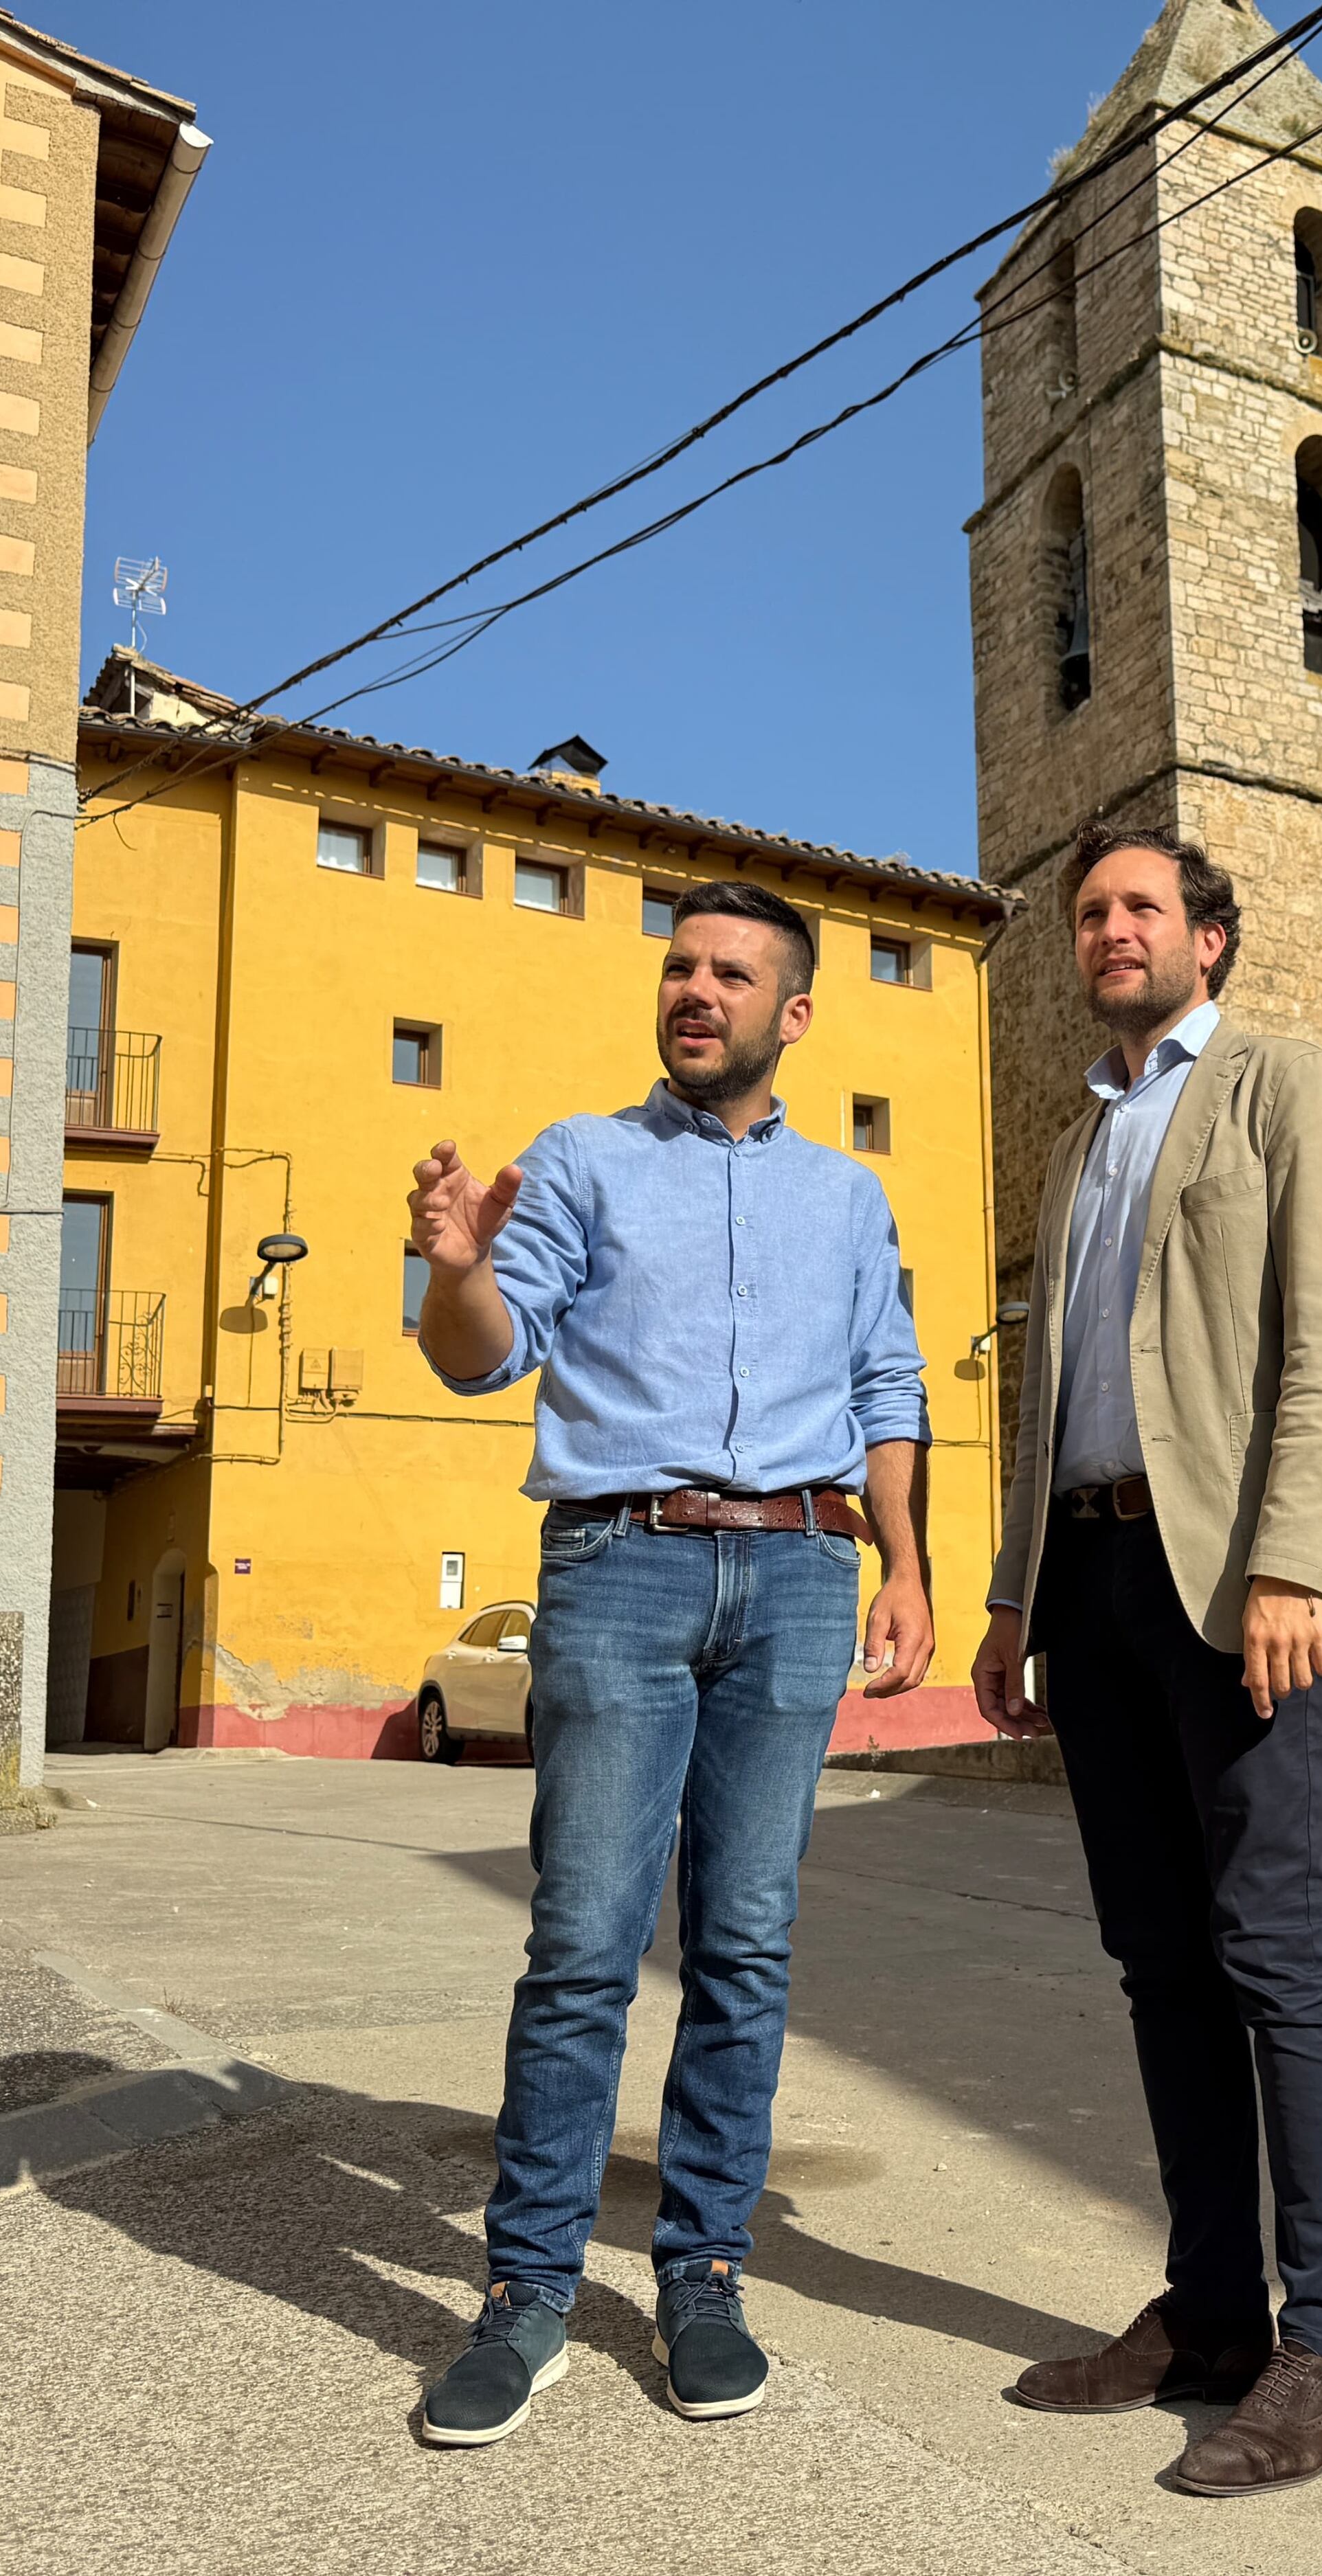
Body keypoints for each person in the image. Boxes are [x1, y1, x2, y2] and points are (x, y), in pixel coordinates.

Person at [402, 879, 934, 2448]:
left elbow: (888, 1382)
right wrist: (449, 1262)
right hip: (617, 1566)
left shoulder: (845, 1200)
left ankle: (702, 2268)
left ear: (795, 1011)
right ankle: (528, 2292)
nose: (695, 991)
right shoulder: (579, 1160)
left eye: (730, 972)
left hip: (793, 1571)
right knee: (581, 1946)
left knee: (747, 1946)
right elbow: (484, 1351)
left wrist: (905, 1565)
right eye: (680, 968)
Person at [970, 819, 1322, 2498]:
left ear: (1208, 940)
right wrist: (1015, 1598)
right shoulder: (1082, 1140)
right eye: (1089, 913)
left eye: (1141, 907)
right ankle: (1214, 2309)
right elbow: (1051, 1382)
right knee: (1159, 1961)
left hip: (1235, 1577)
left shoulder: (1286, 1086)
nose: (1109, 931)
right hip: (1090, 1571)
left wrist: (1295, 1554)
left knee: (1275, 1950)